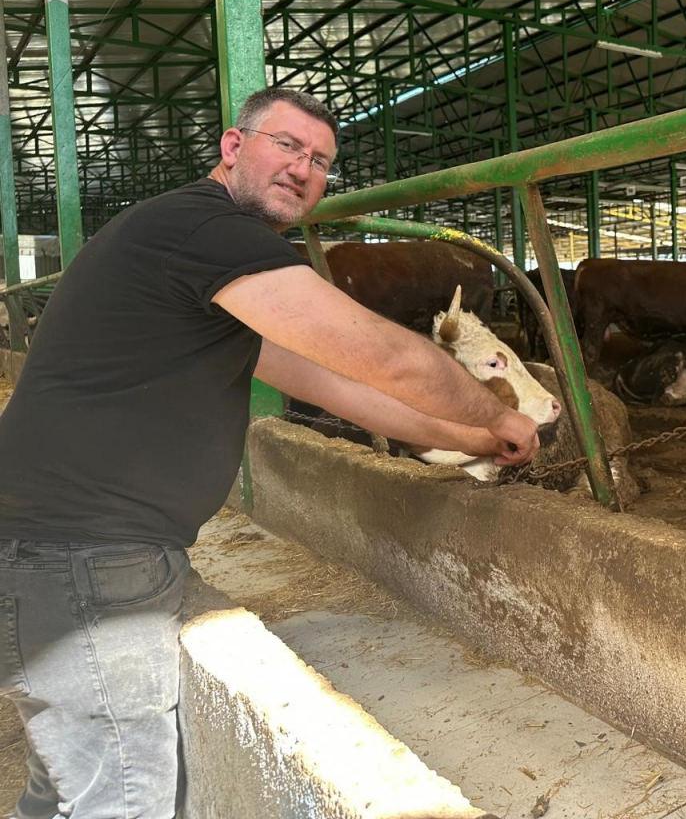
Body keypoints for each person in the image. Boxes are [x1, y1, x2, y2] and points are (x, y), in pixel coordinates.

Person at [0, 87, 540, 818]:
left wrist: (471, 440)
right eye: (286, 145)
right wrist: (496, 411)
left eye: (320, 161)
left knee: (67, 789)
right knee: (120, 801)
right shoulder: (209, 231)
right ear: (233, 146)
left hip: (64, 554)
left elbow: (326, 381)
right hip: (83, 562)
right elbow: (392, 360)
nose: (303, 168)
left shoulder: (203, 265)